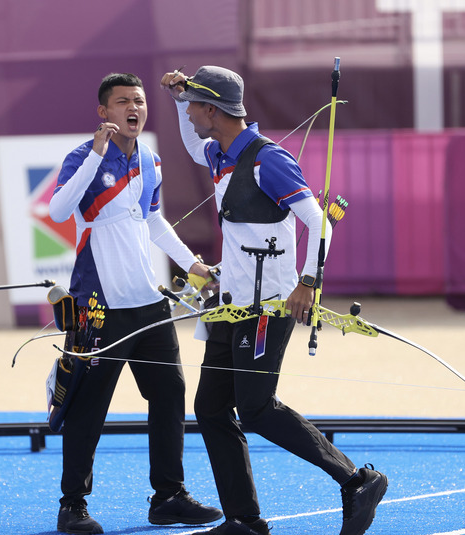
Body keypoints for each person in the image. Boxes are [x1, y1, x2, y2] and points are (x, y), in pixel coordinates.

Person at [160, 65, 388, 535]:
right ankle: (243, 520)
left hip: (266, 310)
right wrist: (180, 97)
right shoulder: (220, 152)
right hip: (229, 307)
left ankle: (356, 480)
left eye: (194, 106)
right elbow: (189, 141)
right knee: (210, 408)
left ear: (213, 110)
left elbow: (320, 224)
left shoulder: (269, 161)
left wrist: (307, 282)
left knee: (258, 409)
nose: (190, 114)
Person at [48, 72, 223, 534]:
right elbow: (60, 211)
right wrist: (97, 155)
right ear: (103, 112)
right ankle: (73, 505)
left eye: (140, 101)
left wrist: (193, 266)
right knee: (89, 406)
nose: (134, 107)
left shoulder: (150, 160)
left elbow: (153, 221)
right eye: (123, 101)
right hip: (99, 304)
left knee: (169, 395)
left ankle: (168, 496)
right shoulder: (82, 158)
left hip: (148, 303)